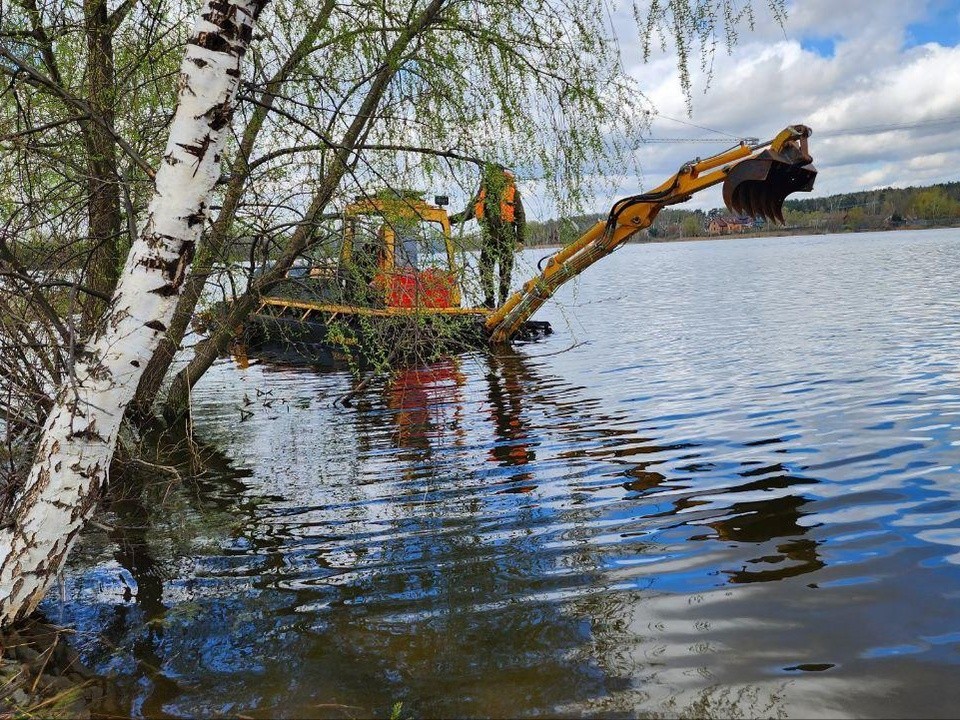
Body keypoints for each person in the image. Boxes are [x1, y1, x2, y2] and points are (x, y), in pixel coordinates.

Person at [451, 163, 526, 308]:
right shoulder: (483, 192)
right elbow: (469, 212)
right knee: (484, 269)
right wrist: (449, 220)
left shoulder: (511, 191)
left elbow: (520, 215)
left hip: (506, 237)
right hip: (489, 238)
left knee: (505, 272)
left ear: (501, 175)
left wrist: (520, 239)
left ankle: (502, 303)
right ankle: (489, 301)